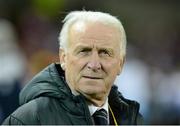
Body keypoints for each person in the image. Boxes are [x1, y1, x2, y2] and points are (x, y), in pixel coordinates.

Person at [3, 10, 143, 125]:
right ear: (63, 58)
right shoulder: (29, 119)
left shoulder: (132, 119)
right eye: (83, 51)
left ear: (121, 64)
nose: (94, 64)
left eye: (105, 52)